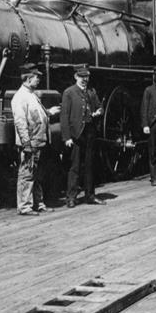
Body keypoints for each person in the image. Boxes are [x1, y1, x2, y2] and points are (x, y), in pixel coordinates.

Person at [12, 63, 61, 215]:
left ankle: (38, 204)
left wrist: (49, 113)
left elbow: (37, 115)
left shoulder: (31, 95)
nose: (38, 80)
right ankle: (25, 207)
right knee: (27, 174)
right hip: (30, 143)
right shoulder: (20, 97)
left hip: (39, 141)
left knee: (37, 175)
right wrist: (26, 144)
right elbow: (20, 122)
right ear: (27, 79)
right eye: (36, 78)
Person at [60, 64, 104, 208]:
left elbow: (100, 107)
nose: (84, 79)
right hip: (76, 134)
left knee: (90, 165)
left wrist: (98, 112)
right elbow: (64, 116)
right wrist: (67, 137)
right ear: (75, 77)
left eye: (86, 77)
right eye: (81, 77)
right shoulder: (69, 93)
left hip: (90, 133)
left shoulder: (91, 92)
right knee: (75, 167)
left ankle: (90, 195)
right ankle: (71, 197)